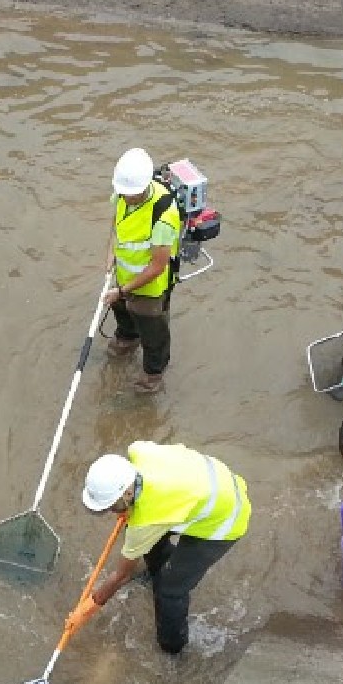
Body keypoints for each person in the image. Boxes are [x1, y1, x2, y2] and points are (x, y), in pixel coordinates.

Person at [66, 441, 251, 654]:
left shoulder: (148, 518)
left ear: (127, 492)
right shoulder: (139, 451)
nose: (112, 512)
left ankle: (173, 647)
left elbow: (121, 576)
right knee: (137, 531)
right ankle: (158, 571)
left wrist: (88, 607)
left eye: (113, 506)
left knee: (170, 590)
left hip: (224, 521)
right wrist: (127, 511)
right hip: (215, 485)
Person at [103, 147, 181, 395]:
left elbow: (158, 266)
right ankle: (127, 337)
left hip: (151, 286)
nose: (126, 198)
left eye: (132, 194)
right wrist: (110, 254)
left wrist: (122, 290)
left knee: (153, 331)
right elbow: (116, 225)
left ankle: (152, 375)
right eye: (123, 193)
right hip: (124, 276)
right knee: (122, 310)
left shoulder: (164, 215)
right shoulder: (122, 195)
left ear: (145, 186)